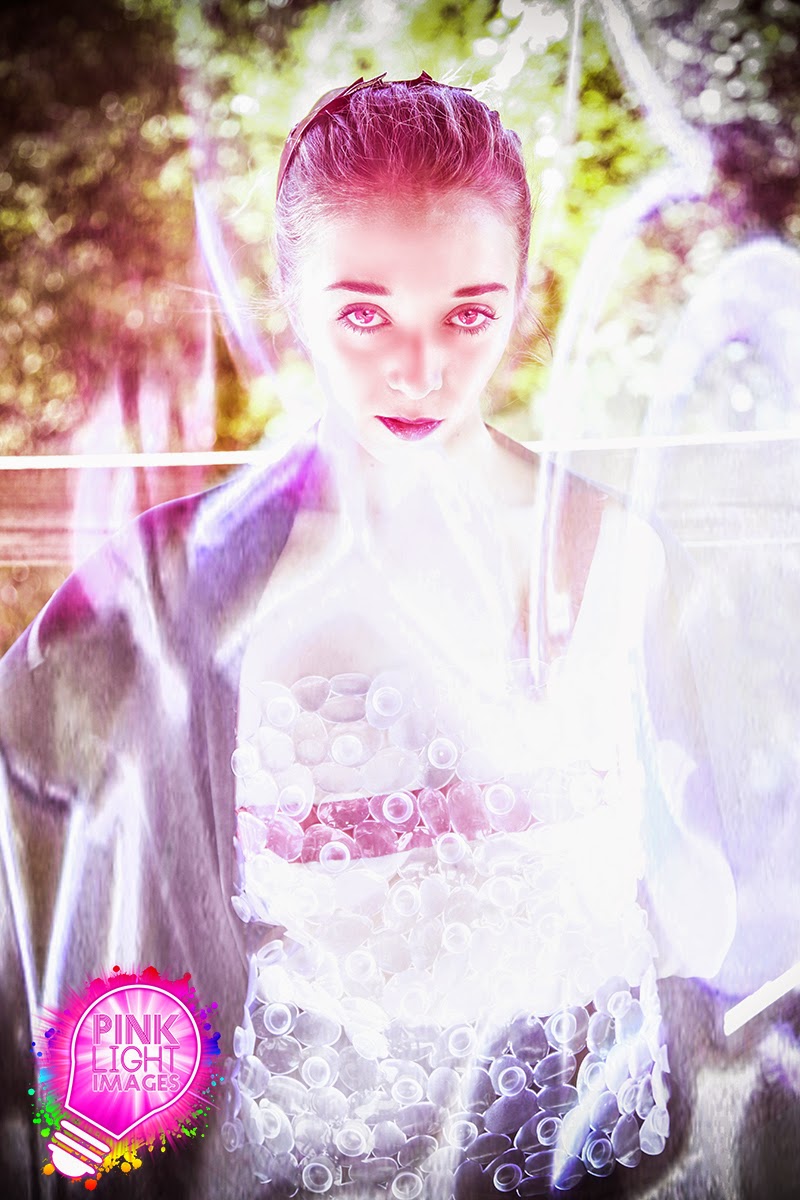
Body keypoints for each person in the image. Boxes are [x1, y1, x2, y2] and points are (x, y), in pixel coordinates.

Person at [0, 73, 738, 1200]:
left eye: (468, 314)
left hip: (605, 1152)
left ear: (520, 297)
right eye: (363, 313)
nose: (420, 369)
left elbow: (716, 885)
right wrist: (93, 1150)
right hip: (318, 1165)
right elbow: (53, 890)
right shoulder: (176, 596)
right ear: (289, 297)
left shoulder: (625, 552)